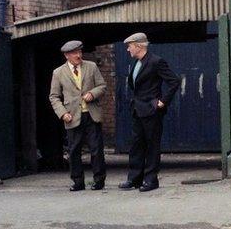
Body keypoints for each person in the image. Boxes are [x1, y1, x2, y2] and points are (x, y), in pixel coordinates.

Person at [119, 32, 180, 192]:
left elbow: (174, 81)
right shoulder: (136, 63)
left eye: (129, 46)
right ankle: (134, 179)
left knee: (152, 145)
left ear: (138, 46)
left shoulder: (156, 61)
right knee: (136, 145)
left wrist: (162, 101)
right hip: (138, 110)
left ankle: (151, 180)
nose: (127, 50)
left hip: (151, 110)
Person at [48, 40, 107, 191]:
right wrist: (62, 113)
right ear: (67, 55)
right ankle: (77, 182)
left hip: (91, 114)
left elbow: (102, 86)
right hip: (72, 116)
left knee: (96, 149)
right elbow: (54, 96)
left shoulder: (91, 67)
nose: (79, 55)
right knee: (74, 150)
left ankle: (99, 180)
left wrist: (92, 94)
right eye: (75, 53)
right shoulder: (58, 72)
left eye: (80, 52)